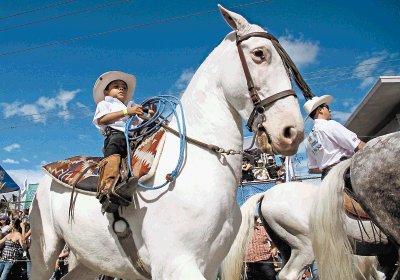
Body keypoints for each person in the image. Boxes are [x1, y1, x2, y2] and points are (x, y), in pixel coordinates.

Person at [92, 71, 152, 209]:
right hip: (116, 135)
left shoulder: (130, 105)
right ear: (106, 91)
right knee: (116, 144)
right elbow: (102, 119)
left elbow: (139, 122)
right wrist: (127, 112)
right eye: (116, 86)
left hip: (133, 136)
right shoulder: (104, 103)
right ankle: (107, 189)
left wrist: (148, 117)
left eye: (124, 87)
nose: (121, 88)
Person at [304, 95, 365, 180]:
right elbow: (358, 145)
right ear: (320, 110)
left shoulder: (308, 140)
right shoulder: (330, 124)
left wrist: (328, 169)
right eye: (327, 107)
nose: (330, 110)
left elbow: (312, 169)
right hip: (345, 173)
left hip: (326, 179)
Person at [244, 215, 278, 280]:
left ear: (255, 220)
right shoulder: (242, 233)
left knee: (269, 277)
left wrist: (274, 248)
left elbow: (273, 239)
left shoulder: (263, 229)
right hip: (249, 263)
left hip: (265, 260)